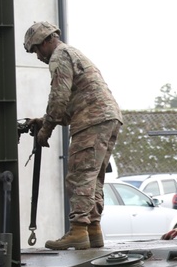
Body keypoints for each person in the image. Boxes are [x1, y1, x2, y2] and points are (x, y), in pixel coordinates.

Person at [23, 21, 123, 250]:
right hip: (106, 118)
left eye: (37, 48)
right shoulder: (73, 53)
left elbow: (58, 97)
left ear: (48, 40)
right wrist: (45, 120)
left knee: (79, 176)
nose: (38, 56)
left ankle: (78, 231)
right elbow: (73, 103)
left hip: (92, 120)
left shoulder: (60, 56)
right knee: (93, 177)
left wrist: (46, 130)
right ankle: (93, 231)